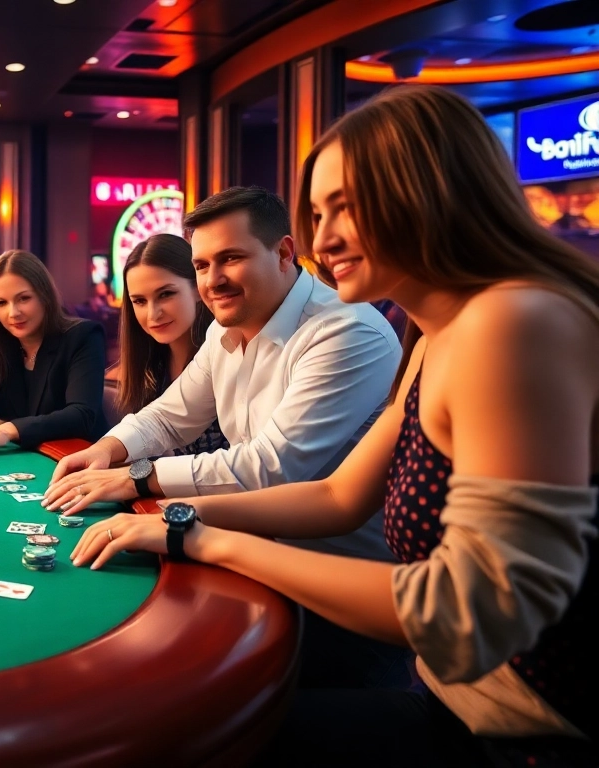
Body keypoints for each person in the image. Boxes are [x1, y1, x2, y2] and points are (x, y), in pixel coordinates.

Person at [70, 86, 599, 767]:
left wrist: (196, 536)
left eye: (347, 205)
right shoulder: (435, 337)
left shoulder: (512, 322)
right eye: (319, 213)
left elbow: (467, 617)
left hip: (523, 734)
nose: (325, 239)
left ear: (430, 188)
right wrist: (163, 512)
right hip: (443, 691)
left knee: (173, 736)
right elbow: (338, 495)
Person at [44, 186, 400, 565]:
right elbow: (168, 416)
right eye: (201, 266)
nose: (213, 281)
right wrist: (105, 450)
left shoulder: (345, 332)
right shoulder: (225, 328)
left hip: (339, 570)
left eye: (230, 258)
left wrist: (134, 476)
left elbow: (269, 468)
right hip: (251, 547)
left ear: (282, 253)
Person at [0, 250, 107, 456]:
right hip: (20, 457)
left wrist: (7, 430)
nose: (13, 313)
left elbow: (81, 415)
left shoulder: (82, 336)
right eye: (1, 303)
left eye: (23, 298)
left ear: (44, 296)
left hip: (78, 459)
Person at [111, 234, 226, 456]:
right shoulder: (149, 367)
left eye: (166, 294)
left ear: (197, 288)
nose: (153, 314)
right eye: (140, 301)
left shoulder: (227, 355)